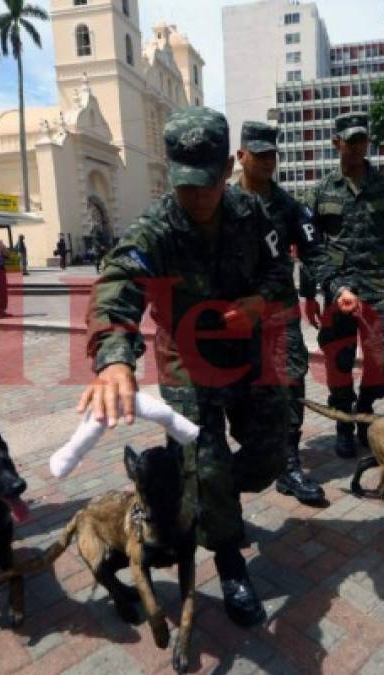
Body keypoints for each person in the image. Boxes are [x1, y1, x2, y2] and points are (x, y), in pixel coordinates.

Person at [81, 107, 292, 627]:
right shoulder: (157, 227)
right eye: (184, 185)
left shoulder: (252, 213)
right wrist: (113, 359)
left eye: (206, 183)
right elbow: (116, 284)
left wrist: (257, 304)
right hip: (186, 363)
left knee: (270, 455)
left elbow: (279, 271)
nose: (196, 197)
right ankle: (228, 560)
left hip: (246, 355)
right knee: (211, 463)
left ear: (225, 170)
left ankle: (201, 491)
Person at [307, 112, 384, 457]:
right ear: (336, 143)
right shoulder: (320, 191)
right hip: (337, 287)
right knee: (339, 358)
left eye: (362, 140)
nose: (358, 147)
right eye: (351, 141)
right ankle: (344, 423)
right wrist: (310, 294)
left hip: (377, 285)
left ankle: (364, 408)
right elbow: (310, 246)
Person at [230, 121, 326, 505]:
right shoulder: (222, 203)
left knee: (291, 384)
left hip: (280, 315)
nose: (268, 161)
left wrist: (325, 289)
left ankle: (289, 464)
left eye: (273, 154)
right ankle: (244, 462)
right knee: (237, 390)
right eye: (260, 154)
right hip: (236, 320)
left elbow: (314, 253)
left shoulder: (288, 207)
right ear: (241, 156)